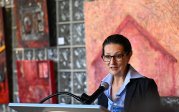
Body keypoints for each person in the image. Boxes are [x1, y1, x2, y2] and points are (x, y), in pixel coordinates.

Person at [98, 34, 161, 112]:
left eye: (118, 56)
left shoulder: (146, 85)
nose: (112, 62)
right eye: (107, 56)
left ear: (129, 55)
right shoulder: (102, 86)